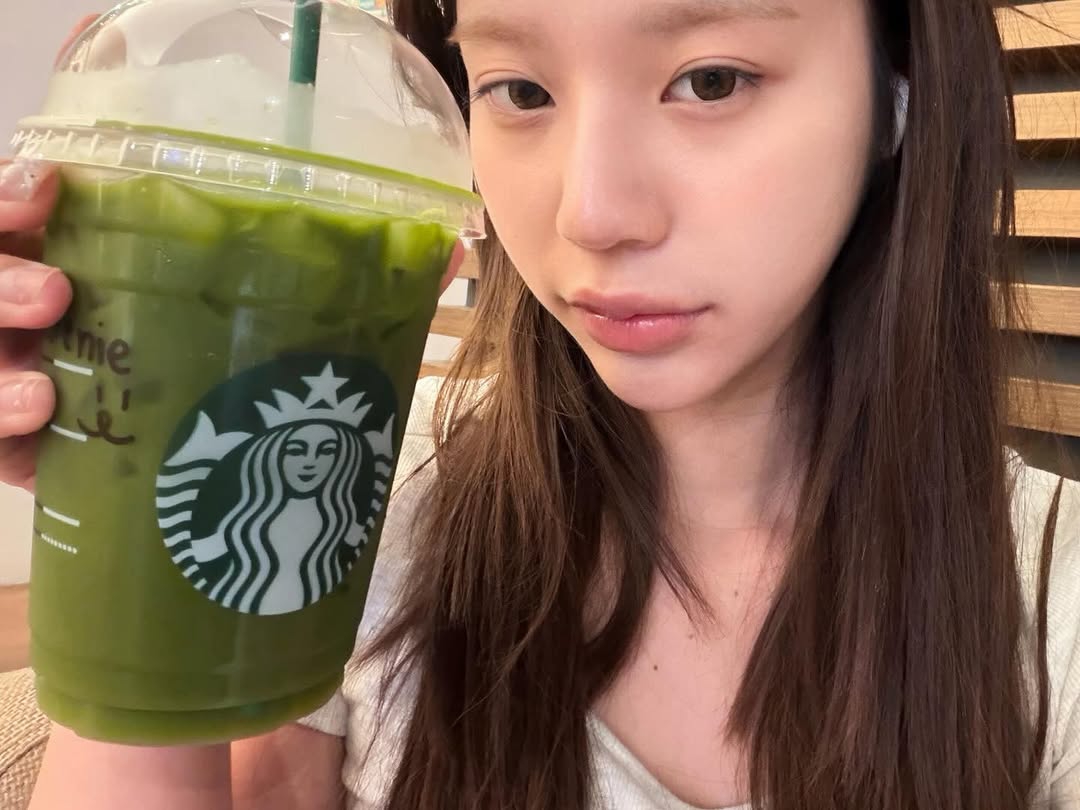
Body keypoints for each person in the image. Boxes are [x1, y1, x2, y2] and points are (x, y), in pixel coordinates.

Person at [3, 0, 1078, 808]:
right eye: (519, 91)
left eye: (709, 80)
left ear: (897, 95)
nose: (592, 213)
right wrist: (123, 515)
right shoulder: (361, 489)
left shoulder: (1054, 601)